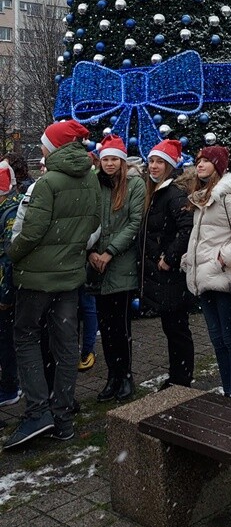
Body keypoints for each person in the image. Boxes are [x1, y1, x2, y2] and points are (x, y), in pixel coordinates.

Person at [4, 120, 101, 450]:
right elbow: (93, 228)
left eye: (44, 142)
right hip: (70, 277)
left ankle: (37, 412)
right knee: (64, 344)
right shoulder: (90, 178)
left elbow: (29, 233)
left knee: (26, 336)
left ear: (54, 147)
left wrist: (12, 254)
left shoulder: (46, 184)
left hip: (37, 278)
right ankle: (62, 418)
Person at [180, 146, 231, 400]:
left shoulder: (228, 199)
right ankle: (228, 395)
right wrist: (190, 260)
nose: (200, 164)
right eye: (198, 160)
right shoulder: (202, 199)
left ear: (218, 166)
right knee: (217, 341)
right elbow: (205, 239)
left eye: (206, 160)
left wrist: (222, 258)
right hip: (204, 280)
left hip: (225, 282)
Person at [87, 134, 145, 402]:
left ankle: (126, 376)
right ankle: (112, 376)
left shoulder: (134, 185)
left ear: (122, 162)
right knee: (106, 327)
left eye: (114, 159)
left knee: (121, 327)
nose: (109, 163)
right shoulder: (93, 184)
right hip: (96, 266)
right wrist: (91, 252)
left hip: (120, 265)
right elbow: (85, 219)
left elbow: (134, 223)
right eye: (105, 159)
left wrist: (109, 252)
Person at [139, 139, 194, 389]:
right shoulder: (156, 192)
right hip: (162, 276)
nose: (153, 166)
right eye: (151, 161)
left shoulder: (173, 194)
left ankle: (181, 379)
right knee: (171, 328)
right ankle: (177, 375)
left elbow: (186, 228)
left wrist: (169, 258)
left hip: (171, 276)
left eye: (160, 162)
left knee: (177, 329)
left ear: (170, 166)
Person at [0, 166, 22, 408]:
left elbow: (8, 257)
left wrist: (6, 293)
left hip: (4, 287)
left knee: (6, 339)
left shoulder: (10, 212)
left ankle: (10, 386)